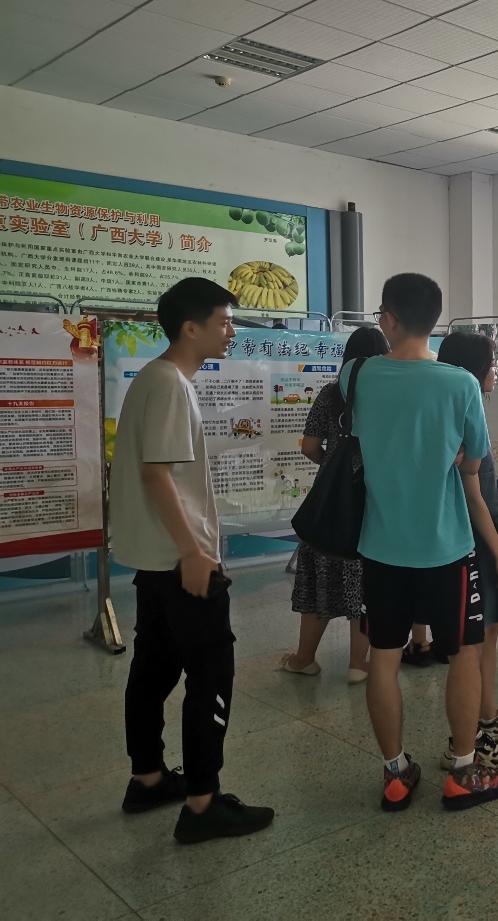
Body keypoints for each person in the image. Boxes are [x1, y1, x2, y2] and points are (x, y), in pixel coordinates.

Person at [347, 273, 498, 812]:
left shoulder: (357, 374)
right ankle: (463, 772)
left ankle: (396, 774)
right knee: (464, 652)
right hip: (447, 549)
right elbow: (471, 468)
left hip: (380, 547)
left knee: (383, 657)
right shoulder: (460, 385)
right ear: (434, 319)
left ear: (388, 319)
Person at [113, 277, 274, 843]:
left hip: (156, 559)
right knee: (211, 673)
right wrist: (193, 552)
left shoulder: (157, 378)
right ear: (190, 328)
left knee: (154, 668)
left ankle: (149, 778)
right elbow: (157, 475)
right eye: (224, 321)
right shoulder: (170, 385)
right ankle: (203, 804)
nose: (231, 332)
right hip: (180, 560)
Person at [435, 332, 498, 768]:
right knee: (471, 642)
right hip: (473, 544)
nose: (497, 370)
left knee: (488, 632)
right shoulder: (455, 415)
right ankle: (467, 737)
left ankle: (487, 714)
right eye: (492, 362)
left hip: (486, 536)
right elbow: (469, 494)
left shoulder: (467, 409)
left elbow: (480, 488)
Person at [281, 326, 388, 684]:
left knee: (320, 579)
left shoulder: (329, 394)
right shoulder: (386, 395)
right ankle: (358, 663)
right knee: (366, 582)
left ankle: (303, 659)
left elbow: (310, 447)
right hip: (373, 501)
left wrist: (332, 466)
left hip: (331, 505)